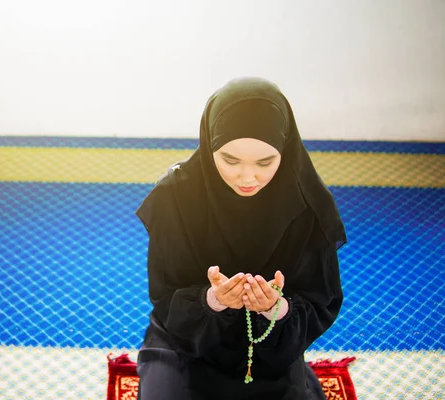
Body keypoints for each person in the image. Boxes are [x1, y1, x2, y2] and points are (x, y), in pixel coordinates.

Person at [135, 77, 346, 400]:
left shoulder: (308, 206)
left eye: (265, 162)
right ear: (209, 145)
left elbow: (321, 299)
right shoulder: (175, 195)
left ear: (285, 150)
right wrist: (212, 300)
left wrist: (276, 308)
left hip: (269, 352)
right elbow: (164, 296)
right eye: (230, 160)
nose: (247, 178)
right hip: (187, 344)